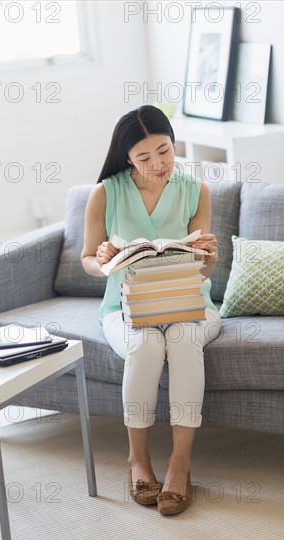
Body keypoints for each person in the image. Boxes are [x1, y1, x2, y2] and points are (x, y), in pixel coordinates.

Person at [81, 105, 221, 515]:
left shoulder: (196, 190)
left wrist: (208, 255)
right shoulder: (106, 192)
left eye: (165, 151)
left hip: (190, 303)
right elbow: (88, 259)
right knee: (145, 344)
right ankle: (138, 460)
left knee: (181, 338)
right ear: (126, 156)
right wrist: (106, 258)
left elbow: (206, 269)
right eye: (144, 157)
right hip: (124, 309)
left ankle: (180, 464)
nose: (158, 164)